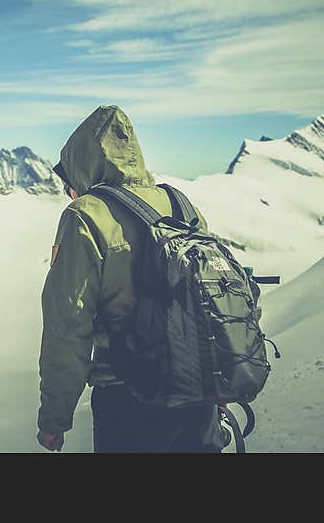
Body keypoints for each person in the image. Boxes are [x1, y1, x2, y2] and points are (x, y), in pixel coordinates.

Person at [36, 105, 224, 453]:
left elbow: (67, 326)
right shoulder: (181, 205)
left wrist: (54, 418)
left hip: (130, 402)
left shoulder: (85, 216)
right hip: (200, 398)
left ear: (83, 165)